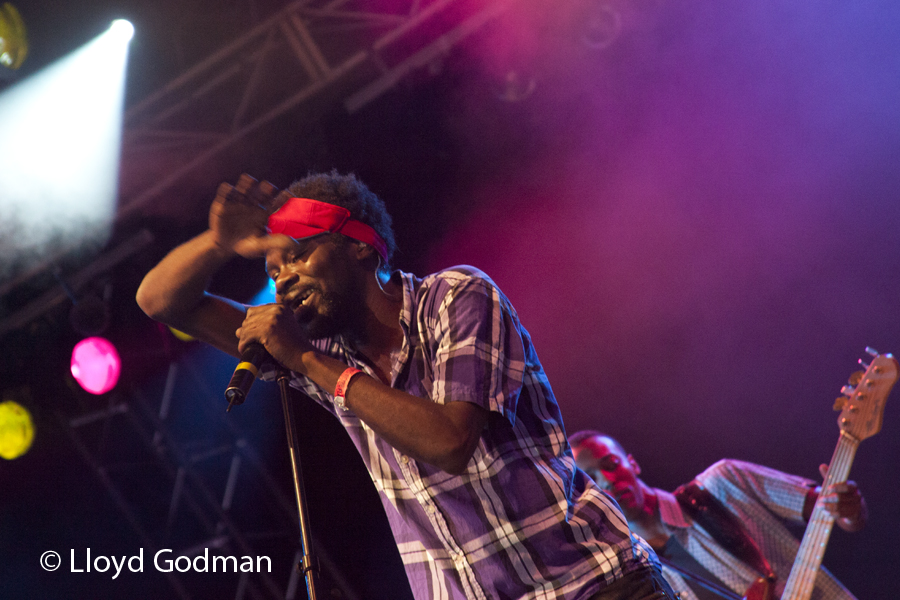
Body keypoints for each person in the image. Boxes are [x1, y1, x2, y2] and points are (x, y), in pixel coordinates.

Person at [136, 171, 676, 600]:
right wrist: (217, 242)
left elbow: (449, 442)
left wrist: (304, 360)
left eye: (298, 254)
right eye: (274, 269)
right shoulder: (321, 354)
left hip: (597, 587)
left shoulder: (456, 298)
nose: (283, 277)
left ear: (362, 249)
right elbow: (160, 301)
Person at [568, 431, 867, 600]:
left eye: (610, 464)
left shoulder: (723, 482)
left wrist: (848, 510)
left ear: (632, 463)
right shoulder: (638, 575)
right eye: (591, 479)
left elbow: (832, 511)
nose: (606, 480)